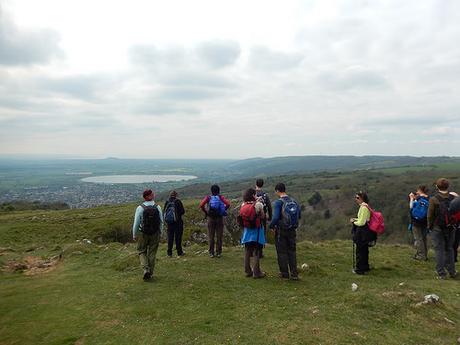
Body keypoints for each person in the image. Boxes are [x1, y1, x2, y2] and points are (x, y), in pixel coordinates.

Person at [269, 183, 301, 280]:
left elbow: (275, 218)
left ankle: (285, 274)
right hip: (292, 230)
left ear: (277, 191)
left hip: (281, 231)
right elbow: (299, 215)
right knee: (292, 251)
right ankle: (294, 274)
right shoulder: (294, 201)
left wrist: (271, 226)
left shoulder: (279, 202)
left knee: (282, 252)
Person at [427, 178, 457, 279]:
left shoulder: (434, 199)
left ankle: (441, 273)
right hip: (451, 227)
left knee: (439, 250)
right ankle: (452, 271)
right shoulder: (453, 198)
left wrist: (429, 226)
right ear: (448, 186)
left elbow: (430, 215)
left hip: (437, 227)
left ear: (437, 186)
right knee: (449, 249)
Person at [132, 189, 163, 281]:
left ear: (144, 197)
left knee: (142, 251)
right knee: (152, 253)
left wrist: (134, 234)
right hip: (155, 233)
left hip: (143, 233)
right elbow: (161, 221)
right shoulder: (157, 207)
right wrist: (160, 232)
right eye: (152, 194)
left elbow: (136, 223)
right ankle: (151, 273)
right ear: (150, 196)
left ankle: (146, 270)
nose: (154, 194)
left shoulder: (140, 208)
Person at [239, 188, 266, 278]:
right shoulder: (258, 205)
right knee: (256, 251)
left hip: (247, 232)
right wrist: (260, 204)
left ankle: (247, 271)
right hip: (257, 231)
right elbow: (262, 216)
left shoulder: (243, 205)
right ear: (253, 195)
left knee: (247, 251)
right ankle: (257, 272)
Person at [199, 184, 231, 258]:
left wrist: (206, 212)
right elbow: (228, 204)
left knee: (211, 236)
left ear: (211, 191)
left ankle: (211, 253)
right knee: (219, 236)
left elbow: (201, 205)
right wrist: (222, 211)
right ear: (218, 191)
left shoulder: (208, 197)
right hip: (219, 218)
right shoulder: (220, 197)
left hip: (211, 218)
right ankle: (219, 252)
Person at [350, 191, 377, 275]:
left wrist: (354, 222)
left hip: (362, 232)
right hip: (365, 231)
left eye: (357, 198)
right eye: (356, 197)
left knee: (360, 250)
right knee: (364, 250)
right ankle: (365, 267)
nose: (356, 199)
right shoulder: (365, 206)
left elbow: (362, 222)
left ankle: (360, 269)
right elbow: (363, 219)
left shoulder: (364, 208)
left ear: (362, 198)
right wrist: (356, 219)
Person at [409, 186, 430, 261]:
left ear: (420, 190)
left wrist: (411, 198)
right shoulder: (429, 198)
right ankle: (425, 254)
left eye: (417, 190)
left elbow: (411, 207)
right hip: (425, 222)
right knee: (424, 238)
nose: (416, 192)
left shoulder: (418, 198)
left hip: (416, 222)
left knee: (418, 239)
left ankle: (421, 256)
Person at [164, 190, 186, 258]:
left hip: (169, 223)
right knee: (178, 238)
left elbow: (164, 211)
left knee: (170, 238)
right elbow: (182, 211)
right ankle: (179, 252)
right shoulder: (178, 201)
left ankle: (169, 253)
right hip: (178, 222)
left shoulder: (167, 201)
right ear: (176, 195)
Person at [255, 178, 272, 258]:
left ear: (256, 184)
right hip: (263, 217)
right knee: (262, 233)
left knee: (253, 232)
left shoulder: (252, 193)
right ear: (262, 184)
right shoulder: (265, 195)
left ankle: (253, 251)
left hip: (253, 217)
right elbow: (269, 207)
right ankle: (260, 252)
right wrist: (270, 217)